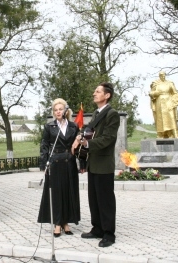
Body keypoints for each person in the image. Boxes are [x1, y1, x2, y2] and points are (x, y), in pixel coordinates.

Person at [72, 82, 120, 248]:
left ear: (107, 95)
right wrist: (83, 154)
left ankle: (109, 234)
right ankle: (97, 228)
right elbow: (90, 135)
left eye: (98, 91)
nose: (94, 93)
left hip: (104, 164)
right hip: (93, 163)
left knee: (105, 200)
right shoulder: (96, 114)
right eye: (95, 90)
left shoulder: (111, 114)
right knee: (94, 199)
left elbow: (108, 138)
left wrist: (86, 143)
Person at [38, 98, 83, 237]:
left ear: (65, 111)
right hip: (55, 163)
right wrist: (43, 163)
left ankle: (66, 222)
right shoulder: (49, 127)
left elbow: (80, 146)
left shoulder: (73, 126)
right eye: (55, 110)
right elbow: (44, 145)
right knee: (57, 194)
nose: (58, 112)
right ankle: (57, 223)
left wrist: (82, 163)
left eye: (60, 109)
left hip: (69, 162)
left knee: (68, 192)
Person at [149, 71, 178, 138]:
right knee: (160, 118)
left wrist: (177, 99)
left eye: (164, 75)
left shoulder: (170, 83)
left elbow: (175, 93)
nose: (162, 76)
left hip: (169, 102)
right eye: (161, 75)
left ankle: (174, 133)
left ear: (165, 75)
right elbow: (151, 93)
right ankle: (161, 134)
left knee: (171, 117)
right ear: (159, 76)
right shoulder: (155, 83)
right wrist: (156, 93)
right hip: (159, 102)